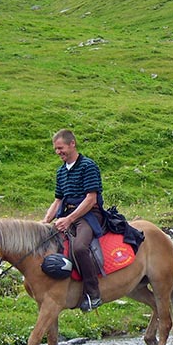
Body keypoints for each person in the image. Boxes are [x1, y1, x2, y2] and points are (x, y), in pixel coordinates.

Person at [43, 129, 105, 310]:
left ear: (72, 144)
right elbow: (58, 199)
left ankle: (93, 294)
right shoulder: (61, 171)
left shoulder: (88, 166)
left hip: (89, 215)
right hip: (67, 215)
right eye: (55, 149)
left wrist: (69, 219)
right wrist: (45, 221)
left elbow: (91, 198)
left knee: (79, 247)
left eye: (60, 148)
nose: (58, 152)